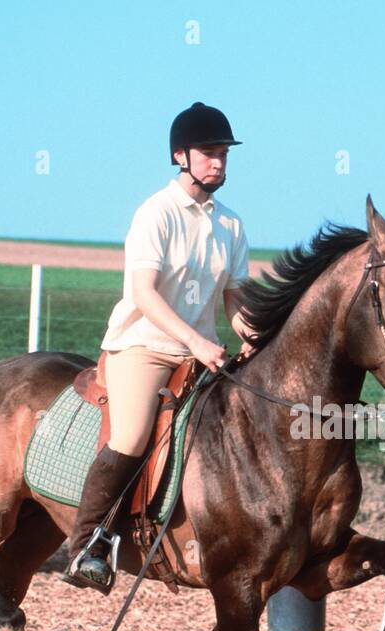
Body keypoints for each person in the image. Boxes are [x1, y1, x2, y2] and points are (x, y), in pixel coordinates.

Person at [63, 102, 258, 592]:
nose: (219, 162)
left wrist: (252, 338)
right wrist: (196, 340)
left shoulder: (231, 226)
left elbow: (235, 300)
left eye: (224, 154)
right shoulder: (156, 213)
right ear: (181, 156)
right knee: (130, 435)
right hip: (144, 347)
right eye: (210, 153)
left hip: (201, 353)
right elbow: (144, 294)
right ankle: (88, 542)